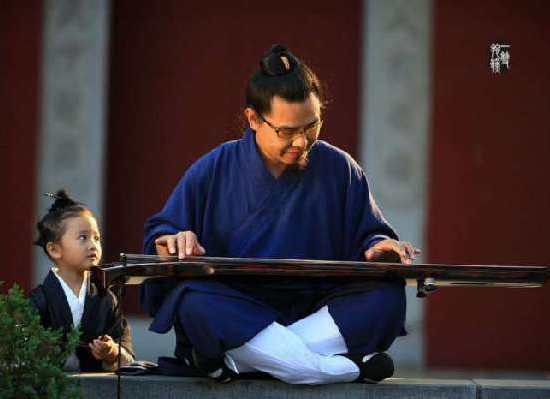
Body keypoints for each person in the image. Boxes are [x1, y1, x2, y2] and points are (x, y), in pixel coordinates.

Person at [141, 45, 418, 384]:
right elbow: (164, 234)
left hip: (319, 312)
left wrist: (379, 247)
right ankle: (345, 367)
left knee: (386, 298)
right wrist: (173, 241)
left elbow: (368, 234)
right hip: (237, 308)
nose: (302, 142)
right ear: (253, 119)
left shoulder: (340, 168)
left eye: (311, 126)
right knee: (194, 302)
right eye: (287, 131)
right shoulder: (216, 167)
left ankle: (244, 361)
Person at [30, 189, 135, 372]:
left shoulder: (107, 300)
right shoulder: (40, 299)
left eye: (96, 238)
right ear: (55, 249)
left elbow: (126, 351)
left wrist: (111, 352)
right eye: (83, 237)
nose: (93, 245)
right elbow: (22, 350)